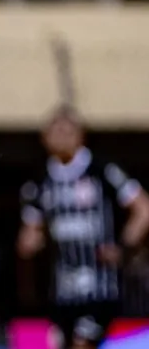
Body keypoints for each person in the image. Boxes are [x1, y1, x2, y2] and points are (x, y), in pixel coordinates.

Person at [18, 106, 149, 349]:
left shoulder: (101, 171)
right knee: (55, 342)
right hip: (62, 290)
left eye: (68, 131)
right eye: (55, 131)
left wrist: (122, 247)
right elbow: (30, 230)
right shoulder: (40, 180)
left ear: (81, 135)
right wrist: (30, 243)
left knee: (83, 342)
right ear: (44, 138)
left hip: (99, 287)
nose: (61, 137)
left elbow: (143, 209)